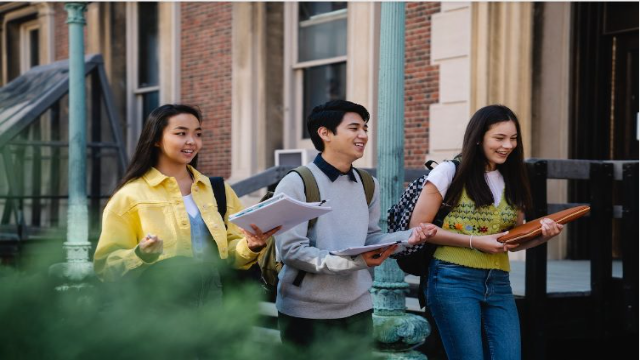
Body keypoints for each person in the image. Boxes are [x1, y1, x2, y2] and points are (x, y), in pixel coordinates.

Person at [273, 99, 438, 348]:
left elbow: (370, 238)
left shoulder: (367, 183)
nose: (363, 135)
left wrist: (407, 237)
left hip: (358, 308)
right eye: (354, 128)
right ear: (325, 133)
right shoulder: (296, 183)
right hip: (305, 311)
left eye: (365, 128)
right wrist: (354, 262)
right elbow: (292, 252)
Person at [409, 104, 563, 360]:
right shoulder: (449, 172)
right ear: (479, 138)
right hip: (452, 279)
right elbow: (419, 228)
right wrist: (474, 242)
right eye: (499, 138)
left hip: (499, 281)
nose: (508, 145)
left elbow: (509, 241)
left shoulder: (513, 177)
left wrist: (541, 236)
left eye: (513, 138)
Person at [94, 104, 279, 304]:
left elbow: (231, 255)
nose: (192, 141)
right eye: (181, 133)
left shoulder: (218, 190)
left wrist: (251, 245)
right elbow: (106, 267)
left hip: (215, 304)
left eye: (197, 134)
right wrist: (140, 254)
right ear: (156, 139)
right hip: (157, 306)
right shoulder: (130, 196)